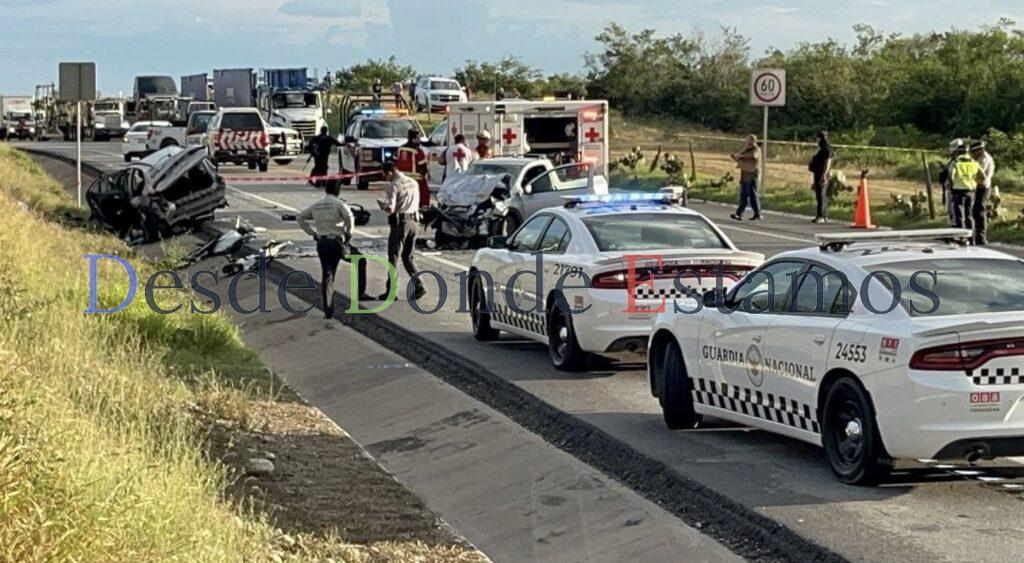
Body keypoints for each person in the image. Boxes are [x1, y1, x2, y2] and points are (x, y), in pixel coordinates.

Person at [297, 181, 371, 318]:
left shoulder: (317, 205)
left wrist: (312, 233)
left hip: (323, 243)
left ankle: (328, 310)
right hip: (337, 243)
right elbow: (349, 217)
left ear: (326, 190)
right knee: (360, 260)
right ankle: (360, 292)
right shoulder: (339, 204)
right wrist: (349, 233)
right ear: (338, 191)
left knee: (328, 275)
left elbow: (300, 217)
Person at [377, 161, 426, 301]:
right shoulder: (413, 182)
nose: (386, 178)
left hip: (400, 224)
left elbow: (391, 208)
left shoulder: (394, 185)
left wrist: (382, 206)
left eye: (385, 175)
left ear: (390, 172)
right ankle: (420, 284)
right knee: (408, 257)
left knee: (393, 257)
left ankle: (391, 291)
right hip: (414, 222)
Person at [729, 134, 762, 221]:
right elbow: (739, 158)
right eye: (747, 141)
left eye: (749, 141)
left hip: (752, 176)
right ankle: (739, 214)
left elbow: (753, 156)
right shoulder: (745, 150)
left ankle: (757, 213)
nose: (748, 143)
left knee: (752, 196)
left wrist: (741, 156)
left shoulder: (756, 150)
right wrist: (735, 157)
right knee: (743, 196)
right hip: (744, 175)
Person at [949, 146, 981, 231]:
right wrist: (975, 183)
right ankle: (971, 236)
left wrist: (952, 186)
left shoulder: (956, 162)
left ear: (957, 152)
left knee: (959, 214)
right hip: (970, 190)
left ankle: (961, 236)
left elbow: (951, 175)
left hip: (958, 190)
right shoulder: (974, 162)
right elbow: (983, 176)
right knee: (969, 213)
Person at [396, 128, 431, 207]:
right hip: (415, 178)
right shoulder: (417, 151)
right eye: (418, 138)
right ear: (413, 139)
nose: (419, 140)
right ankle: (424, 207)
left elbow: (395, 159)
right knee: (424, 192)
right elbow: (423, 165)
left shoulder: (400, 148)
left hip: (401, 177)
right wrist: (426, 174)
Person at [970, 141, 995, 245]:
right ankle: (978, 235)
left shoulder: (984, 159)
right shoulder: (981, 157)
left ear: (979, 150)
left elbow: (979, 172)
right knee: (977, 211)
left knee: (980, 211)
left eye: (974, 151)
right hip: (980, 186)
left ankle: (981, 237)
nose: (973, 154)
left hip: (983, 186)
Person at [808, 131, 835, 224]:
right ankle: (822, 215)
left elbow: (828, 162)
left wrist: (824, 174)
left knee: (821, 195)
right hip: (818, 173)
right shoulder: (821, 149)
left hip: (822, 174)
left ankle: (821, 216)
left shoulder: (827, 149)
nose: (817, 140)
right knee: (819, 195)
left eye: (818, 138)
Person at [939, 138, 965, 221]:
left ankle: (956, 222)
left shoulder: (958, 160)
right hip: (955, 185)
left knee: (955, 206)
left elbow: (951, 174)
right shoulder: (953, 160)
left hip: (956, 185)